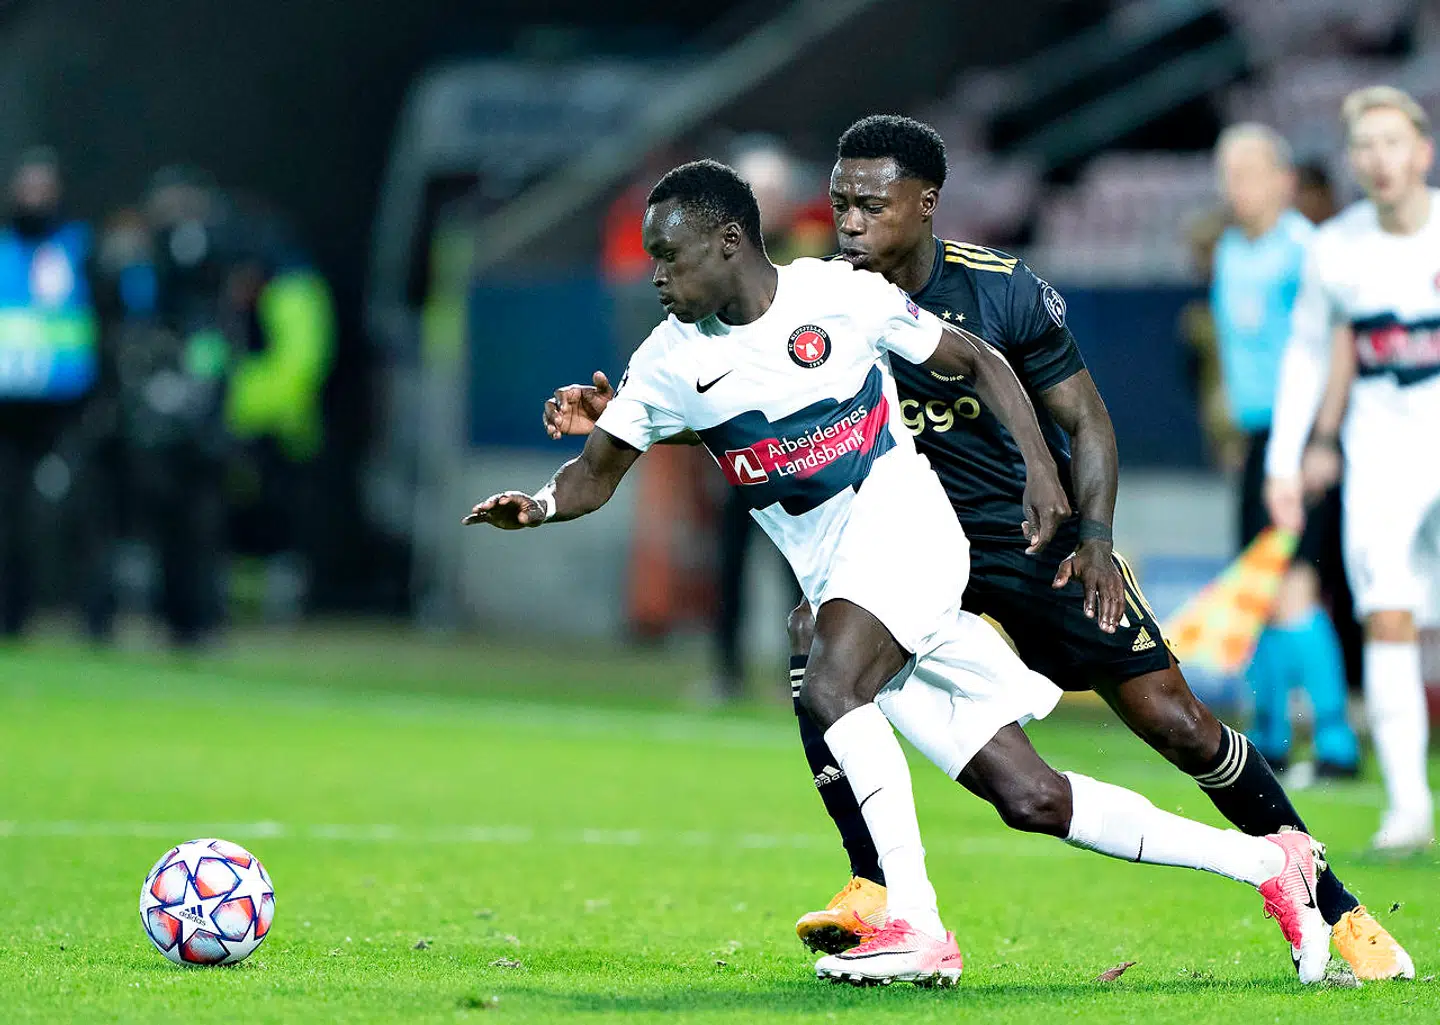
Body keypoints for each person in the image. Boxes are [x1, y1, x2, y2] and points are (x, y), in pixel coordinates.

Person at [544, 118, 1412, 981]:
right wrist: (637, 421)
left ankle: (1333, 901)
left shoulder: (999, 292)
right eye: (841, 202)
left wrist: (1095, 534)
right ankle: (876, 886)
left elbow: (1085, 418)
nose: (848, 222)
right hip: (913, 545)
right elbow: (756, 408)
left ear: (924, 206)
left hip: (1026, 539)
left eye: (870, 206)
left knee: (1179, 726)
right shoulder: (822, 292)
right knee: (818, 638)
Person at [1266, 86, 1440, 853]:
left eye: (1393, 142)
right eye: (1364, 145)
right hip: (1383, 455)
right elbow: (1305, 354)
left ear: (1423, 151)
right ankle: (1409, 807)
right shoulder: (1334, 246)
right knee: (1388, 616)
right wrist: (1286, 458)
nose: (1379, 158)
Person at [1211, 124, 1360, 780]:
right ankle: (1270, 738)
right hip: (1256, 441)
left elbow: (1336, 347)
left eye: (1247, 171)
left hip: (1301, 439)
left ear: (1283, 179)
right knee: (1262, 589)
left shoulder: (1308, 249)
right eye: (1227, 172)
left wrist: (1323, 436)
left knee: (1296, 585)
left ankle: (1336, 744)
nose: (1234, 186)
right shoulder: (1227, 252)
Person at [0, 147, 109, 640]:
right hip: (8, 407)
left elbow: (107, 319)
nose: (33, 198)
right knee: (8, 517)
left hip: (68, 407)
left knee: (81, 512)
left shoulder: (80, 250)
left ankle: (93, 618)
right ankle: (10, 615)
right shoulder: (3, 249)